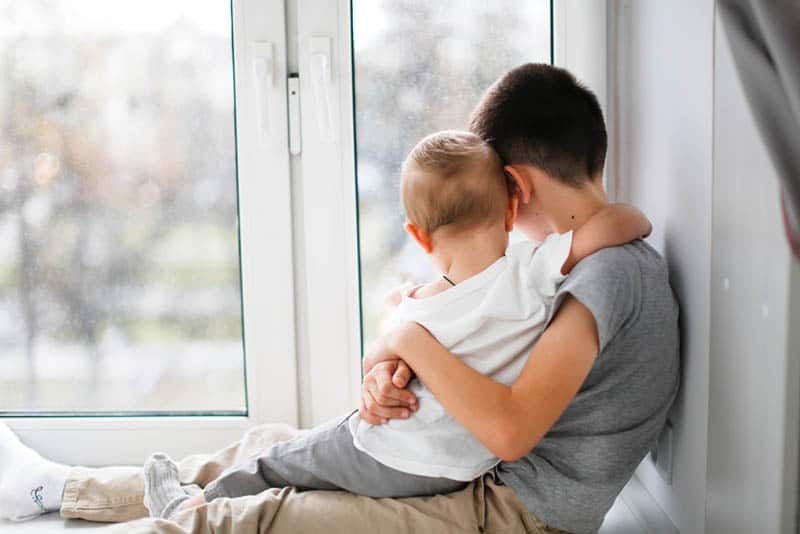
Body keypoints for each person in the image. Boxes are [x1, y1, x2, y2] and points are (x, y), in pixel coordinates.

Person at [0, 63, 680, 534]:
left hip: (512, 514)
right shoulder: (566, 267)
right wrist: (390, 362)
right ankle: (57, 491)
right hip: (470, 475)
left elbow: (508, 429)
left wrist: (409, 339)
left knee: (260, 515)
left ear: (514, 189)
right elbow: (476, 344)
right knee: (267, 447)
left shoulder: (605, 278)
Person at [132, 129, 649, 521]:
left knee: (286, 462)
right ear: (512, 208)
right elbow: (626, 221)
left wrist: (397, 316)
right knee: (299, 463)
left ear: (419, 237)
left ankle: (192, 509)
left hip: (390, 450)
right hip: (460, 469)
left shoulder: (417, 308)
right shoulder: (537, 271)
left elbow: (387, 342)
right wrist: (631, 222)